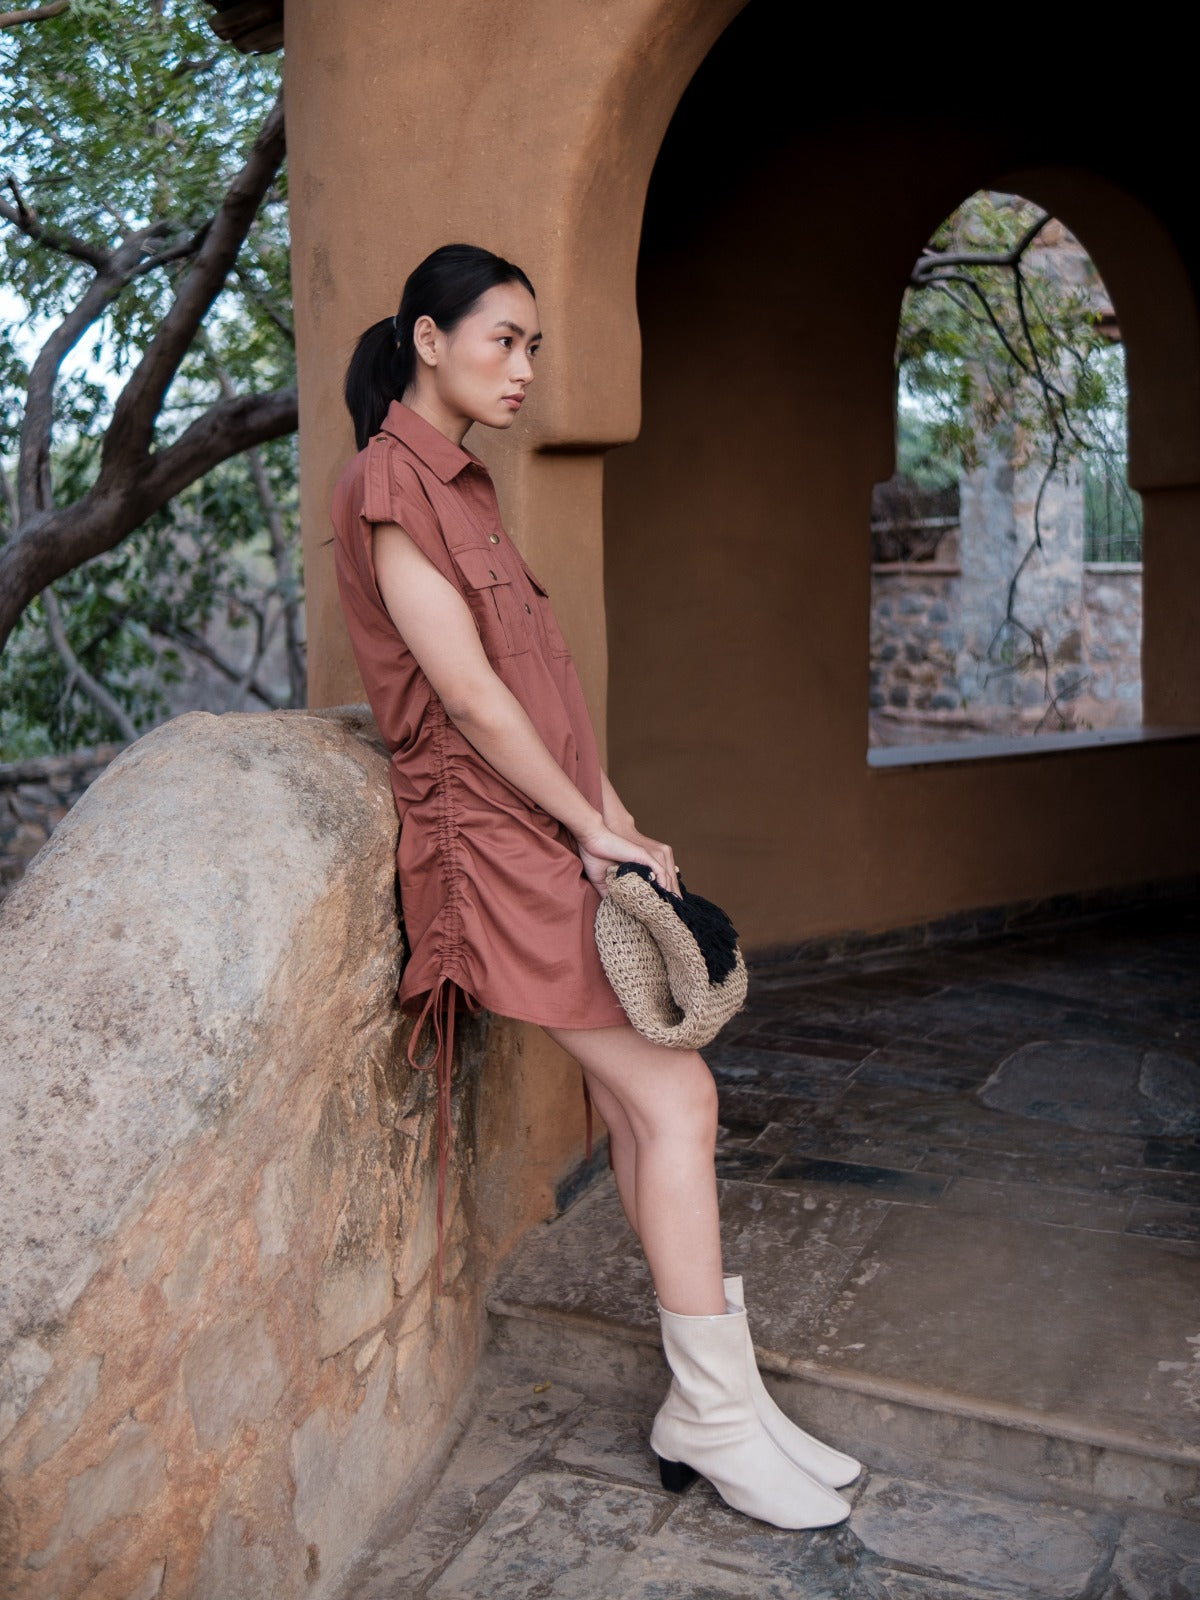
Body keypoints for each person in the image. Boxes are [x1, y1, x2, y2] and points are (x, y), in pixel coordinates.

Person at [330, 243, 858, 1530]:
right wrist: (585, 829)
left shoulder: (467, 487)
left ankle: (720, 1400)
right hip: (493, 845)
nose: (524, 368)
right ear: (427, 339)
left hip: (550, 827)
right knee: (679, 1095)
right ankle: (715, 1411)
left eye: (533, 346)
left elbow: (542, 691)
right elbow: (467, 697)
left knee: (639, 1103)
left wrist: (617, 820)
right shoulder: (389, 484)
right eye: (502, 339)